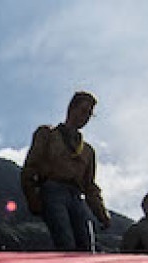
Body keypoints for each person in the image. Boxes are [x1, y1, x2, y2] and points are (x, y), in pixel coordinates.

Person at [21, 91, 111, 252]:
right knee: (65, 242)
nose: (85, 117)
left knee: (87, 246)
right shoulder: (47, 134)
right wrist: (32, 197)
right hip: (52, 190)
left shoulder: (88, 151)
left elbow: (89, 186)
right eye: (83, 111)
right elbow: (30, 167)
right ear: (71, 108)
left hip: (76, 196)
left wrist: (102, 214)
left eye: (89, 114)